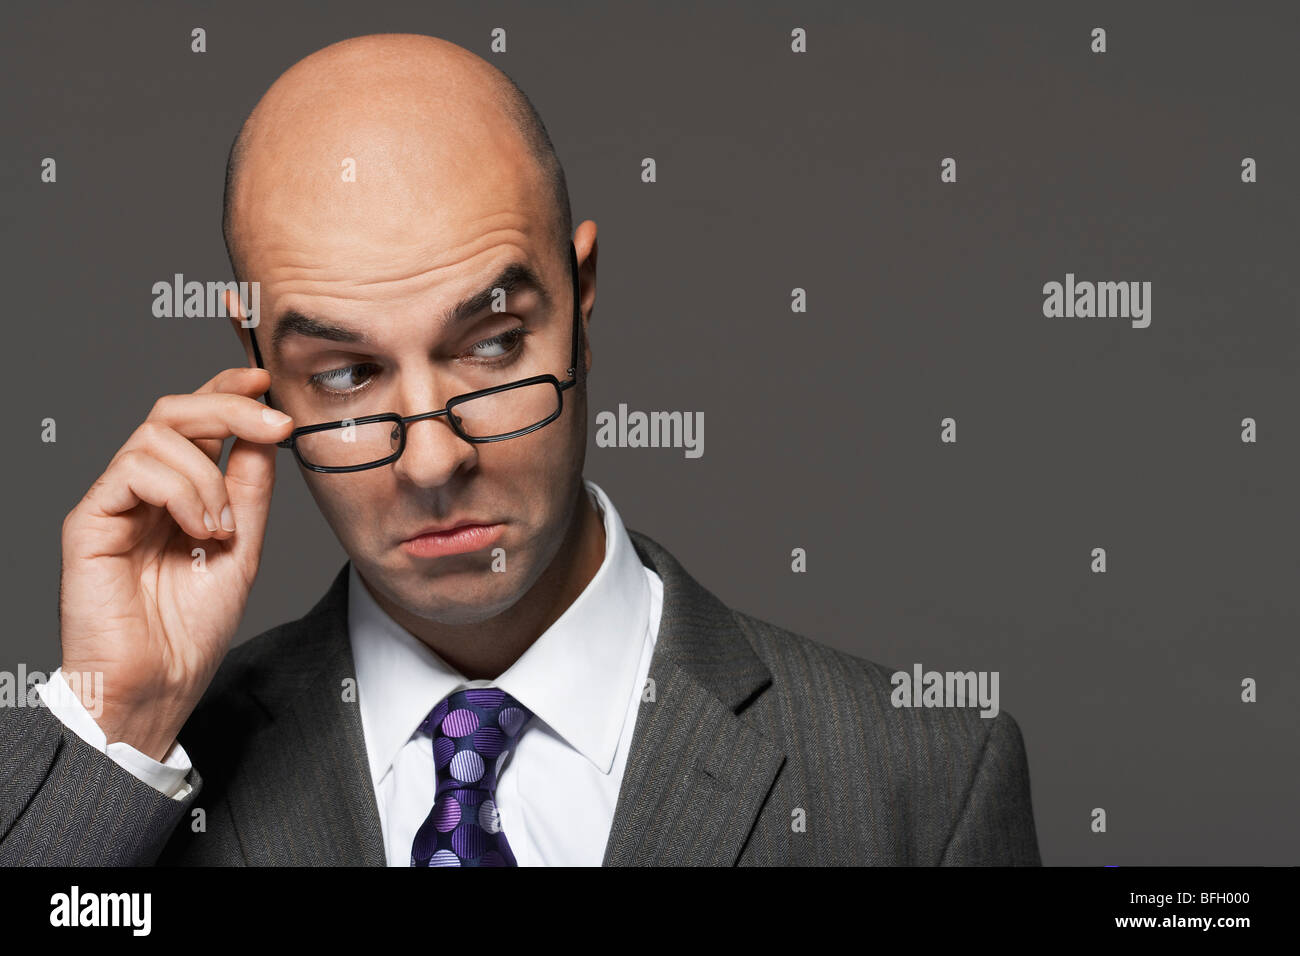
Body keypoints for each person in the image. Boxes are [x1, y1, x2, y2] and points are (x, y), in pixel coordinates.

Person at [0, 33, 1040, 866]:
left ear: (581, 299)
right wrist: (120, 727)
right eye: (348, 375)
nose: (429, 460)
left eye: (493, 347)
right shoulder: (145, 787)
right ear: (256, 357)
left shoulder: (920, 781)